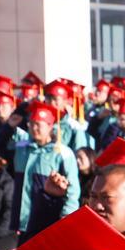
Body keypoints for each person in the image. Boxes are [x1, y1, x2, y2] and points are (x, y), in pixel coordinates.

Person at [16, 102, 78, 239]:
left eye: (39, 124)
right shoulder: (22, 148)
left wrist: (66, 217)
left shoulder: (62, 153)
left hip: (47, 221)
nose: (34, 128)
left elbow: (73, 191)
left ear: (50, 126)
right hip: (21, 223)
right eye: (31, 124)